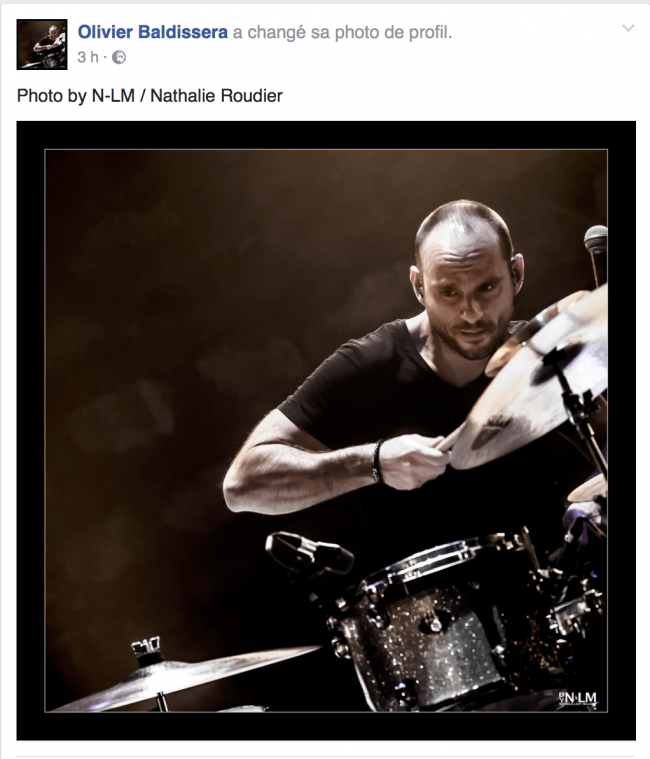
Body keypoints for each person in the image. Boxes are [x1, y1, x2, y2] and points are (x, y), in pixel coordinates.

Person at [223, 200, 598, 564]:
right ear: (419, 286)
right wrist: (374, 463)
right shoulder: (371, 365)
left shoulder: (544, 353)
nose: (472, 313)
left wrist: (598, 502)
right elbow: (241, 485)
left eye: (487, 288)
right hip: (435, 605)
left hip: (558, 588)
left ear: (516, 274)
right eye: (448, 292)